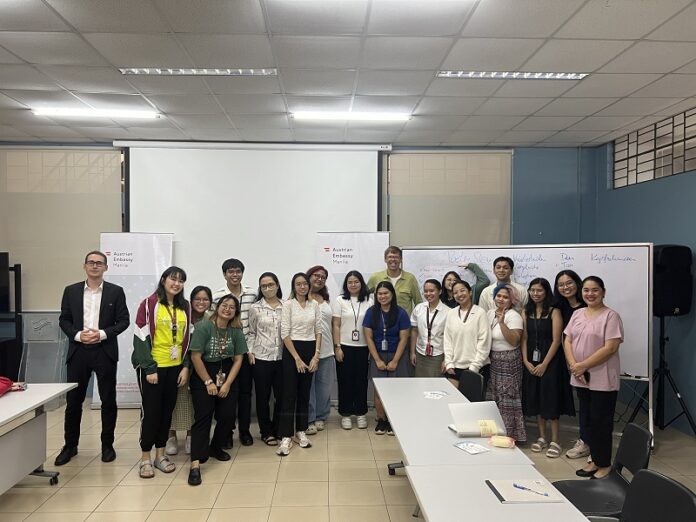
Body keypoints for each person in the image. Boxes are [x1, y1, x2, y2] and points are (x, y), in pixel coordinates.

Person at [55, 251, 130, 466]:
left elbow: (123, 321)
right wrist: (78, 335)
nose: (95, 266)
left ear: (106, 267)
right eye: (91, 262)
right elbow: (64, 320)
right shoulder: (71, 291)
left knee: (108, 401)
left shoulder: (116, 292)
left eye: (99, 263)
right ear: (84, 266)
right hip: (78, 351)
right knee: (74, 402)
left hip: (104, 350)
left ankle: (107, 445)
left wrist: (102, 334)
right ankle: (70, 446)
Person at [131, 266, 192, 479]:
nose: (176, 284)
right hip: (154, 368)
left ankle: (160, 454)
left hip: (174, 368)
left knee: (167, 413)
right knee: (151, 414)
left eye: (181, 281)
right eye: (173, 279)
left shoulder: (185, 306)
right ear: (164, 280)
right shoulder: (149, 304)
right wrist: (149, 368)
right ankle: (145, 458)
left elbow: (187, 339)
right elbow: (140, 336)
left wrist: (185, 366)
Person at [564, 276, 623, 480]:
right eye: (586, 290)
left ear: (603, 292)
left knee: (601, 421)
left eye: (595, 290)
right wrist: (574, 365)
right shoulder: (578, 313)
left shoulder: (611, 316)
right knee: (587, 420)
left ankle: (604, 464)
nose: (590, 294)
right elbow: (568, 340)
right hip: (580, 376)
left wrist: (582, 365)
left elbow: (610, 347)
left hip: (602, 377)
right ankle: (594, 460)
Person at [187, 294, 247, 486]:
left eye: (232, 307)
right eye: (224, 305)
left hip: (227, 372)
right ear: (217, 307)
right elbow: (196, 356)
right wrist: (208, 382)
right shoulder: (204, 327)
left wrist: (227, 384)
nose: (227, 309)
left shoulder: (235, 331)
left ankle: (215, 447)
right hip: (204, 372)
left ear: (235, 312)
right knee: (203, 417)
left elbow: (238, 359)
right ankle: (195, 464)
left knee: (228, 415)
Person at [522, 278, 575, 459]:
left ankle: (555, 440)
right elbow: (524, 339)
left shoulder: (554, 311)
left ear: (546, 292)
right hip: (530, 360)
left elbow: (556, 340)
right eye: (532, 290)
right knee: (536, 397)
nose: (536, 294)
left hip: (550, 361)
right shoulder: (525, 311)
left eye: (540, 290)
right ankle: (542, 437)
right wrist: (526, 361)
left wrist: (544, 363)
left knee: (550, 398)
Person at [213, 258, 256, 447]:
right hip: (224, 354)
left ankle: (244, 431)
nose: (235, 275)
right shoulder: (217, 297)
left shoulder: (252, 294)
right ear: (224, 274)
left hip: (246, 353)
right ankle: (227, 432)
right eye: (230, 271)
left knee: (245, 394)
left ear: (242, 273)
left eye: (238, 271)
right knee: (227, 394)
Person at [277, 273, 322, 456]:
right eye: (298, 284)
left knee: (305, 393)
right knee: (289, 394)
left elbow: (318, 330)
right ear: (293, 286)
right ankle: (286, 435)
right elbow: (284, 333)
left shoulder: (315, 305)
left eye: (305, 284)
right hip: (292, 351)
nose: (302, 287)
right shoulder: (288, 305)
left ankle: (300, 431)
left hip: (310, 349)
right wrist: (296, 357)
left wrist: (316, 356)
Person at [166, 286, 211, 456]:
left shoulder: (210, 319)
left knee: (194, 403)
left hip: (200, 366)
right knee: (174, 400)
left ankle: (191, 436)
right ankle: (171, 436)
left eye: (205, 299)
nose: (201, 302)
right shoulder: (181, 315)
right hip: (177, 364)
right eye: (197, 299)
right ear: (190, 301)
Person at [363, 281, 411, 436]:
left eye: (386, 293)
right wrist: (376, 360)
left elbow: (404, 338)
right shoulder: (371, 312)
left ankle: (393, 421)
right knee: (379, 391)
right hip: (378, 355)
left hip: (397, 354)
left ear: (392, 295)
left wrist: (395, 360)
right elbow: (368, 337)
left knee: (396, 390)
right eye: (380, 294)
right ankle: (382, 419)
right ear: (376, 296)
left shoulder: (401, 313)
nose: (383, 296)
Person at [553, 270, 590, 460]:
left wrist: (580, 364)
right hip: (569, 361)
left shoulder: (588, 306)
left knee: (590, 403)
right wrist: (572, 364)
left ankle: (589, 442)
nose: (565, 287)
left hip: (588, 361)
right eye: (561, 284)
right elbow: (564, 339)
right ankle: (585, 440)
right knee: (583, 401)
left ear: (577, 283)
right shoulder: (558, 306)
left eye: (569, 283)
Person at [485, 284, 526, 444]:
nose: (501, 299)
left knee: (508, 400)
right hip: (493, 361)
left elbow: (515, 340)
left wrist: (502, 323)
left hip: (509, 361)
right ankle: (494, 433)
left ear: (512, 300)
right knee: (495, 398)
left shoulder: (513, 315)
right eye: (499, 296)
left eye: (505, 297)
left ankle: (510, 435)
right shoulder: (489, 313)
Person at [332, 270, 372, 430]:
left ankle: (361, 413)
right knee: (345, 381)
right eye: (350, 282)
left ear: (361, 283)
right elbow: (336, 325)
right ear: (346, 285)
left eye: (356, 281)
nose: (353, 284)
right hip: (344, 347)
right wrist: (337, 347)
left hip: (364, 347)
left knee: (361, 381)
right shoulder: (340, 300)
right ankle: (346, 414)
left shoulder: (370, 300)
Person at [248, 272, 284, 446]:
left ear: (277, 285)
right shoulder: (255, 308)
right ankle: (266, 431)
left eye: (271, 284)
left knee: (281, 396)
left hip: (283, 358)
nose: (268, 288)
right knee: (262, 397)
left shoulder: (287, 306)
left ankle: (278, 429)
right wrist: (250, 352)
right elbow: (252, 332)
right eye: (264, 286)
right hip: (261, 358)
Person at [443, 281, 491, 387]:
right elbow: (447, 340)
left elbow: (484, 342)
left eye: (462, 290)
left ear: (470, 292)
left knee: (471, 402)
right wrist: (449, 362)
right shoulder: (451, 313)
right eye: (455, 292)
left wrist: (475, 366)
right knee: (454, 401)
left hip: (475, 368)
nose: (459, 294)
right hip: (454, 368)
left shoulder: (480, 313)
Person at [306, 265, 335, 435]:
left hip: (327, 349)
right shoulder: (300, 297)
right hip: (308, 350)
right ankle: (309, 418)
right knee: (308, 387)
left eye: (323, 277)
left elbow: (332, 324)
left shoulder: (327, 299)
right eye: (316, 275)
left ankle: (321, 416)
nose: (319, 279)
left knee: (324, 386)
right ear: (309, 277)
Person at [410, 279, 449, 378]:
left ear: (439, 291)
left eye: (431, 291)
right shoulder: (419, 308)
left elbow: (450, 338)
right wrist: (412, 352)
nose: (428, 294)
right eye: (426, 291)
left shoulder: (448, 312)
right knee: (419, 383)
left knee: (434, 386)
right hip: (420, 353)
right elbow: (414, 331)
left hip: (438, 354)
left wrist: (447, 359)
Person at [367, 246, 422, 315]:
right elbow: (363, 295)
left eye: (396, 257)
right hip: (381, 323)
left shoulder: (410, 278)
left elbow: (419, 303)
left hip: (404, 323)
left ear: (401, 259)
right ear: (385, 259)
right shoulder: (375, 277)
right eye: (390, 257)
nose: (393, 259)